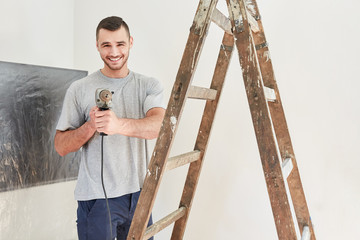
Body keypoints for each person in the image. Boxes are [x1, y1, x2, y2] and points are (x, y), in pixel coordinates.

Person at [54, 16, 165, 240]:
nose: (114, 52)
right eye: (106, 45)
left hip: (138, 196)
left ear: (131, 42)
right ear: (97, 46)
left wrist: (117, 125)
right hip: (96, 200)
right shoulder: (79, 89)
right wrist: (90, 126)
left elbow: (159, 128)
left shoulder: (148, 85)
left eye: (120, 44)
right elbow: (61, 147)